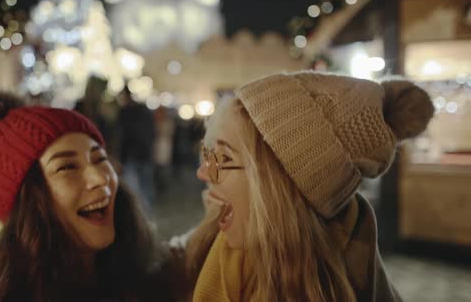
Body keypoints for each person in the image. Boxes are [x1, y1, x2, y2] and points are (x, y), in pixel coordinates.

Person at [186, 72, 434, 302]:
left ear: (281, 187)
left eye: (225, 158)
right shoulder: (229, 246)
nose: (202, 172)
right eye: (208, 154)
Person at [0, 91, 184, 302]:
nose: (100, 178)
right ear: (27, 200)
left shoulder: (148, 272)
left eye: (100, 158)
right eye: (67, 167)